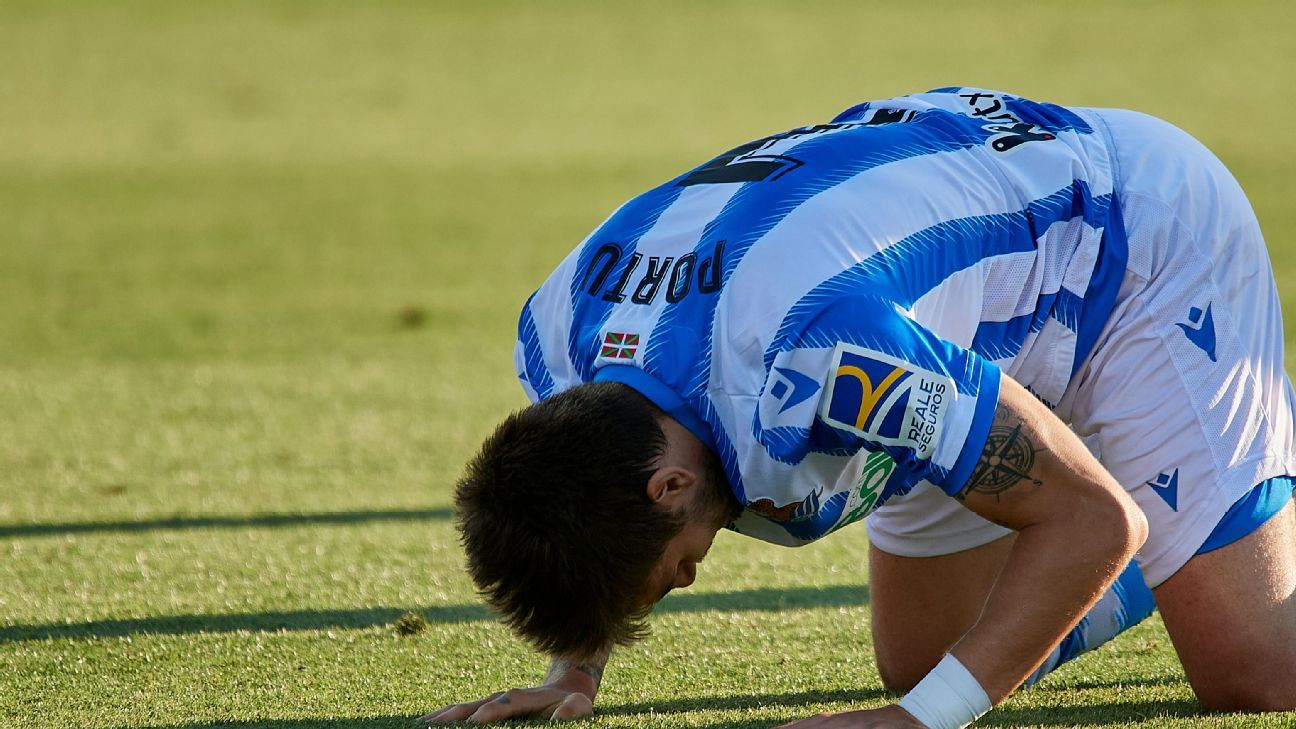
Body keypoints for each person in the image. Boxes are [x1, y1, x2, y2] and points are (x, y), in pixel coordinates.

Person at [422, 87, 1296, 728]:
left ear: (670, 486)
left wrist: (922, 721)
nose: (684, 580)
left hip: (1126, 242)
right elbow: (587, 506)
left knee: (1254, 673)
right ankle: (1208, 506)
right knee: (931, 656)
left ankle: (1244, 469)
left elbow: (1095, 521)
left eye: (666, 575)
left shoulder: (821, 358)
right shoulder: (561, 348)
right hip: (950, 301)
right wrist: (575, 669)